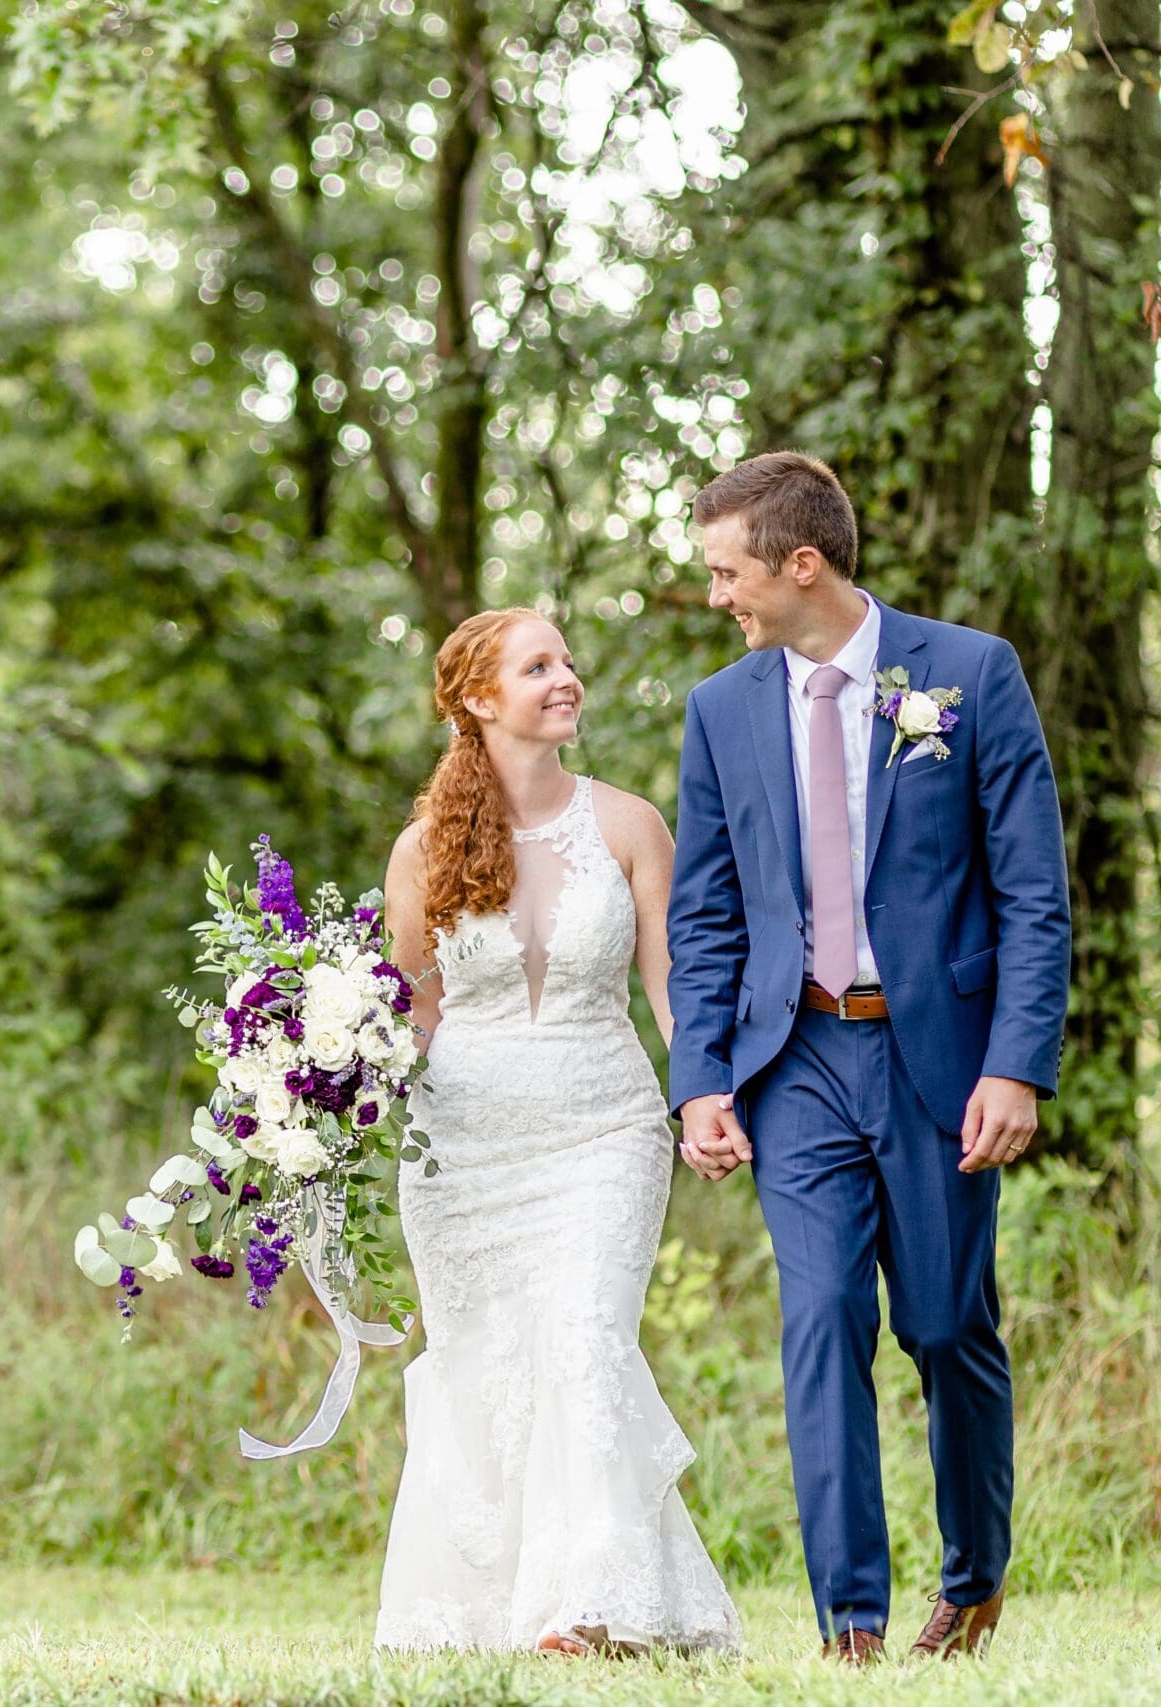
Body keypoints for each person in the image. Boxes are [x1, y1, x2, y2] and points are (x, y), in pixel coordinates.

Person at [665, 451, 1072, 1664]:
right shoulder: (721, 709)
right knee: (823, 1315)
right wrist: (699, 1079)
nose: (716, 598)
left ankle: (973, 1581)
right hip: (793, 1063)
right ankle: (849, 1620)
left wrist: (1018, 1064)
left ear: (801, 565)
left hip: (939, 1058)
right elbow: (703, 914)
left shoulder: (968, 674)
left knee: (946, 1328)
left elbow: (1034, 894)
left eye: (727, 572)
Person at [374, 607, 741, 1658]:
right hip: (461, 1151)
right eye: (539, 668)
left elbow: (671, 986)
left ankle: (590, 1605)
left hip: (601, 1129)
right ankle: (510, 1604)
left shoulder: (628, 826)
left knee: (585, 1342)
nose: (565, 679)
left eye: (568, 662)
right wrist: (321, 1090)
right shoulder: (422, 849)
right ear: (479, 700)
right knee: (485, 1367)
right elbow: (411, 1007)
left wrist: (699, 1095)